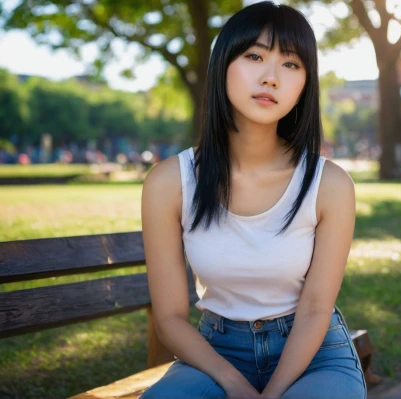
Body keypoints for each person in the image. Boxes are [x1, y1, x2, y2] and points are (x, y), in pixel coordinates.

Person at [140, 2, 365, 398]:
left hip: (313, 353)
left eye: (291, 64)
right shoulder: (168, 182)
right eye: (255, 56)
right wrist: (233, 383)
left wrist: (272, 392)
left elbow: (315, 309)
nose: (271, 78)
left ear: (305, 84)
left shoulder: (329, 184)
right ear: (223, 65)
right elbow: (171, 318)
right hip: (216, 353)